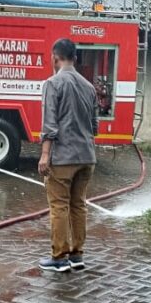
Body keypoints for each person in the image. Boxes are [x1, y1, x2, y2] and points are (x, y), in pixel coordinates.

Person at [37, 38, 99, 272]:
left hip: (63, 158)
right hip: (87, 157)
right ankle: (77, 255)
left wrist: (45, 155)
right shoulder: (89, 86)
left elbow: (50, 123)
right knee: (78, 205)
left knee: (59, 206)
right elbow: (95, 127)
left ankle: (60, 257)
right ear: (75, 57)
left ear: (55, 57)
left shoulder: (53, 83)